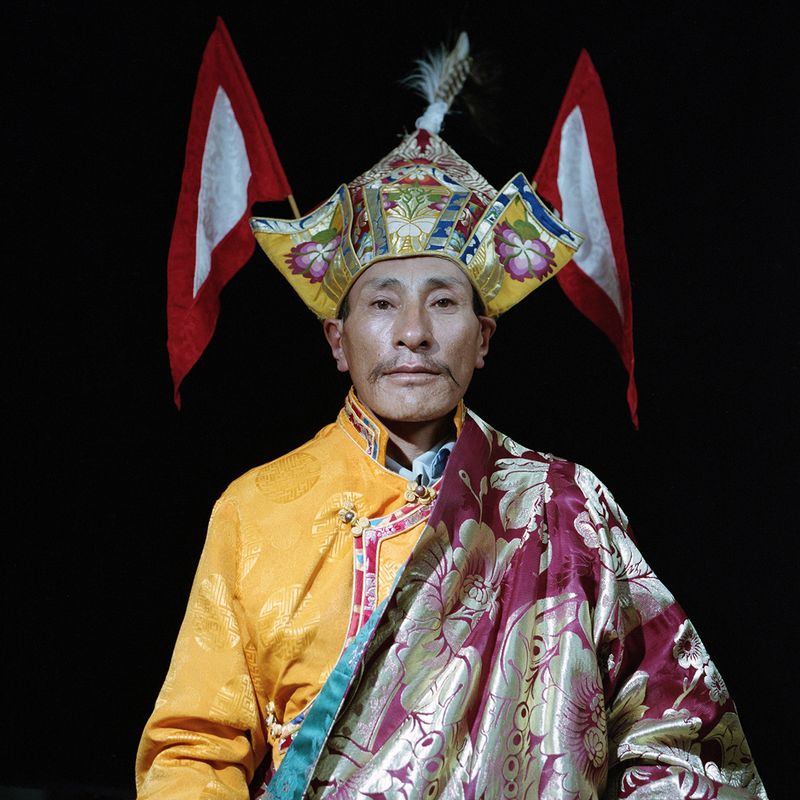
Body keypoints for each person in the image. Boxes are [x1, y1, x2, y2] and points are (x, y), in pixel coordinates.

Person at [136, 35, 767, 800]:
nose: (412, 333)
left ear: (484, 336)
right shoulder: (255, 508)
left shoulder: (566, 506)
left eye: (442, 301)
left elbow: (681, 741)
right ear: (338, 341)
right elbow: (192, 751)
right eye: (381, 304)